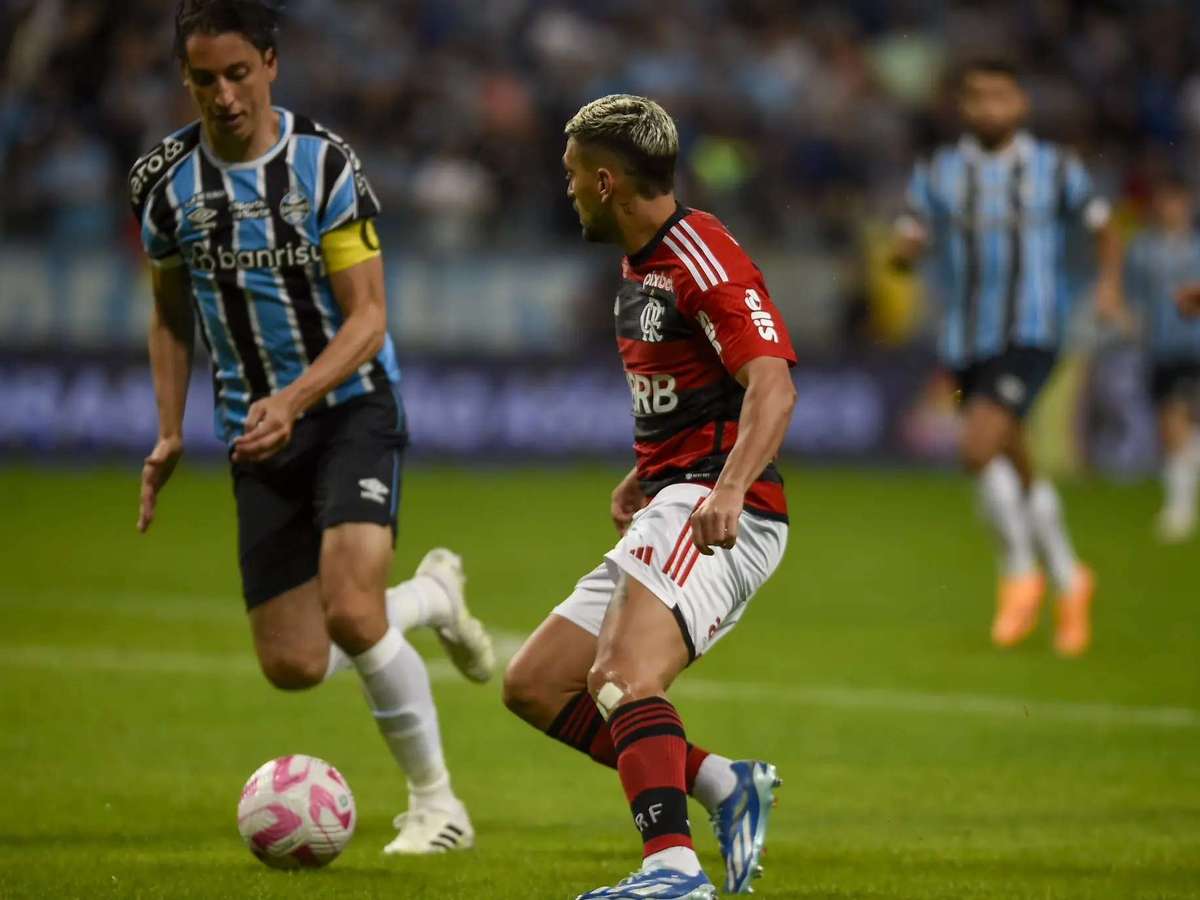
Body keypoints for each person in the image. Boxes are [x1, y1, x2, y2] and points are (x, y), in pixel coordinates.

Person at [129, 0, 493, 855]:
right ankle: (434, 599)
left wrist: (294, 399)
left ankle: (438, 806)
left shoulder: (323, 167)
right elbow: (170, 315)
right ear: (185, 80)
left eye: (238, 74)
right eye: (204, 79)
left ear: (270, 65)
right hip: (253, 435)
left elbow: (368, 318)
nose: (223, 95)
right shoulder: (162, 183)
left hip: (349, 407)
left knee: (352, 609)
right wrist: (170, 430)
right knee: (292, 664)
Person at [503, 95, 797, 900]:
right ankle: (722, 785)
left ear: (605, 181)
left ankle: (672, 872)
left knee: (624, 674)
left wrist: (727, 488)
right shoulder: (641, 261)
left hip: (719, 509)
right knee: (535, 683)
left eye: (570, 177)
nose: (564, 191)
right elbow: (690, 386)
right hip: (677, 490)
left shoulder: (702, 258)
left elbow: (771, 384)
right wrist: (650, 468)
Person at [891, 59, 1123, 657]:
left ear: (1020, 102)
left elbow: (1104, 227)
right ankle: (1071, 578)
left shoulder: (1054, 167)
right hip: (965, 341)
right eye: (978, 98)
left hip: (1032, 331)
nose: (990, 108)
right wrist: (904, 252)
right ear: (964, 107)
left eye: (1001, 96)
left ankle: (1021, 573)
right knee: (1010, 455)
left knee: (976, 448)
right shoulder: (940, 172)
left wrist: (1108, 285)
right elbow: (908, 236)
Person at [1121, 177, 1200, 541]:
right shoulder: (1142, 249)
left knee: (1181, 420)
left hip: (1195, 344)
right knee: (1170, 425)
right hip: (1161, 347)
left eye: (1177, 201)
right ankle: (1180, 504)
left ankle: (1180, 507)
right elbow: (1132, 297)